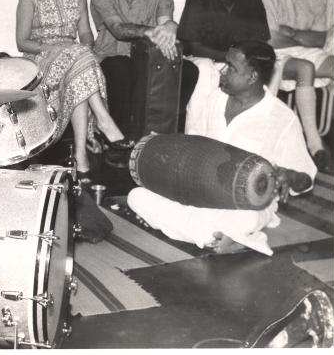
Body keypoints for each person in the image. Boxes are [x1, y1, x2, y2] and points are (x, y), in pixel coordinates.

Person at [128, 41, 317, 255]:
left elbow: (307, 178)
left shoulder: (282, 118)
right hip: (196, 193)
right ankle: (225, 238)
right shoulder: (214, 98)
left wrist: (290, 177)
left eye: (231, 68)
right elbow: (191, 144)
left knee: (249, 217)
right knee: (137, 196)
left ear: (252, 76)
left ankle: (210, 235)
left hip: (245, 205)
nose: (222, 72)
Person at [15, 0, 132, 181]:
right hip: (41, 61)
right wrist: (53, 50)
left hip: (75, 60)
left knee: (79, 63)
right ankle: (103, 123)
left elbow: (85, 34)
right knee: (79, 59)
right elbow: (21, 42)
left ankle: (81, 155)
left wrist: (86, 47)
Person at [89, 0, 196, 140]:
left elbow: (165, 27)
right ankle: (120, 141)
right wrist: (151, 31)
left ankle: (166, 136)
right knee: (121, 68)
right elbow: (118, 29)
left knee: (187, 71)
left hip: (148, 60)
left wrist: (170, 27)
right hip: (111, 57)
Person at [256, 0, 334, 174]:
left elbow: (320, 38)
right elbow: (270, 38)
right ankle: (315, 144)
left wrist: (292, 33)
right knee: (305, 68)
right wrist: (301, 36)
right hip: (274, 54)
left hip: (306, 50)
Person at [178, 0, 270, 134]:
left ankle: (248, 135)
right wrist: (231, 59)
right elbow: (192, 46)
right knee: (205, 70)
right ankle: (195, 136)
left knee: (261, 72)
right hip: (200, 59)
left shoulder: (253, 1)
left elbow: (259, 44)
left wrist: (236, 62)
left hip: (237, 61)